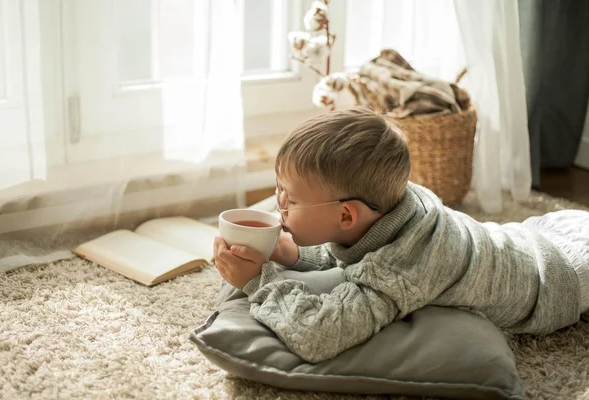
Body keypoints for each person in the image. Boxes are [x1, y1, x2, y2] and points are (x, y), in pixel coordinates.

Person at [213, 107, 589, 364]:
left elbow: (320, 336)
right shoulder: (391, 204)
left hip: (561, 279)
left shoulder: (404, 267)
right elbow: (356, 249)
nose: (277, 202)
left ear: (346, 214)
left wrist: (256, 283)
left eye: (289, 198)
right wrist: (292, 254)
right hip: (535, 235)